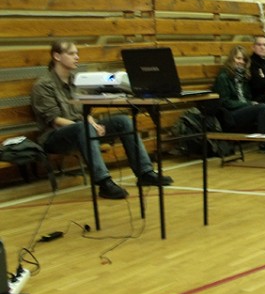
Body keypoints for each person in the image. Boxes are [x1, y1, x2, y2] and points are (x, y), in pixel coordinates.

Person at [30, 40, 173, 199]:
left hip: (82, 128)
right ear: (57, 56)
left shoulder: (76, 81)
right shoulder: (43, 85)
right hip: (54, 137)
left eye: (77, 53)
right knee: (84, 128)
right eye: (71, 53)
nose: (77, 57)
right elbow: (54, 119)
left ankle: (145, 172)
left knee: (123, 121)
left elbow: (83, 110)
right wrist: (88, 125)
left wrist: (92, 122)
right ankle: (104, 182)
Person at [212, 46, 265, 150]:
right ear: (231, 59)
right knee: (262, 108)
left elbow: (247, 96)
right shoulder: (223, 77)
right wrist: (248, 104)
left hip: (243, 108)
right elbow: (225, 102)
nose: (241, 62)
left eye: (244, 59)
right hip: (230, 114)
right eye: (238, 58)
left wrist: (250, 103)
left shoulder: (243, 76)